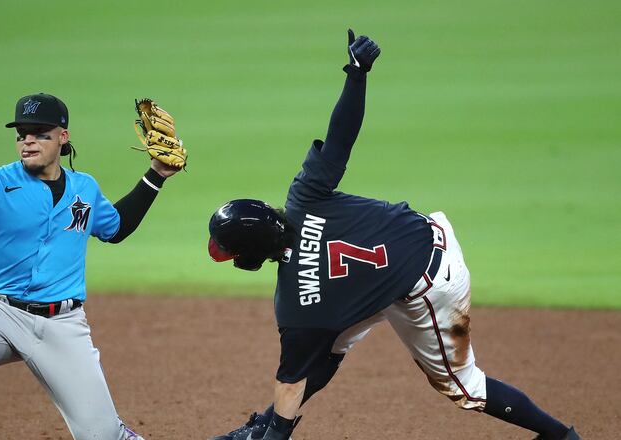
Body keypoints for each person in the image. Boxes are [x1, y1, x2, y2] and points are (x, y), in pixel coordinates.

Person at [206, 31, 580, 440]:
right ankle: (265, 422)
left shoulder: (297, 305)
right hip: (424, 233)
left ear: (249, 256)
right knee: (332, 342)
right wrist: (357, 73)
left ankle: (561, 436)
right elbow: (341, 137)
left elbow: (292, 376)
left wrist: (278, 433)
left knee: (465, 387)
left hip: (430, 287)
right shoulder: (305, 195)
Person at [0, 93, 181, 439]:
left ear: (62, 137)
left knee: (102, 435)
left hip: (63, 325)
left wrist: (156, 175)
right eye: (22, 133)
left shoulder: (84, 188)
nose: (28, 141)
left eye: (40, 133)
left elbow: (115, 229)